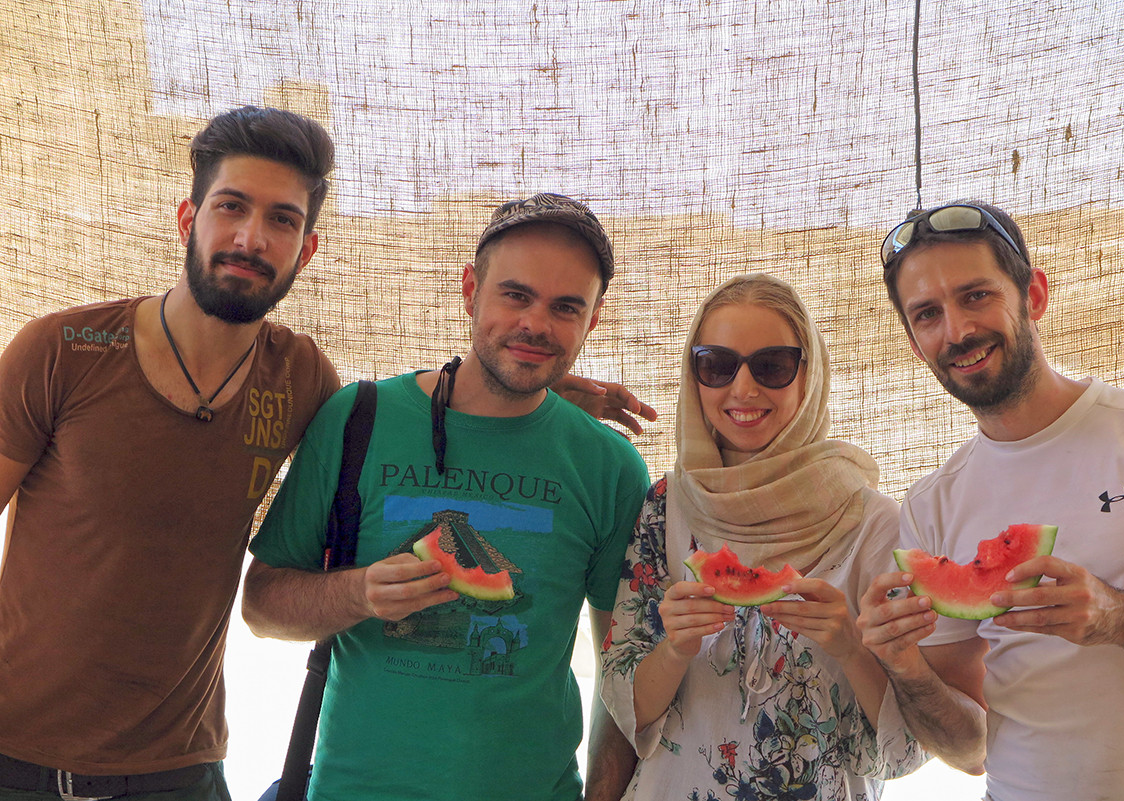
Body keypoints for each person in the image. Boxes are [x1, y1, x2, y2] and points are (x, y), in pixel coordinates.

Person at [241, 193, 652, 801]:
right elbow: (261, 606)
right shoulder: (358, 419)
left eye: (565, 307)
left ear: (593, 321)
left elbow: (621, 669)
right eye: (516, 295)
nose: (535, 324)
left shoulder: (611, 467)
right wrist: (358, 592)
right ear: (470, 290)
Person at [0, 106, 341, 801]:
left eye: (282, 219)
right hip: (16, 759)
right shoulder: (62, 349)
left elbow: (402, 421)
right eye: (232, 207)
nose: (251, 237)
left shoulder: (303, 377)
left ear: (305, 249)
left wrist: (517, 384)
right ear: (189, 218)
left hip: (180, 772)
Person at [857, 203, 1124, 801]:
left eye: (975, 296)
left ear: (1033, 295)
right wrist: (906, 667)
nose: (957, 331)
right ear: (915, 342)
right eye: (927, 314)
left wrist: (1121, 617)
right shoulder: (932, 505)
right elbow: (969, 751)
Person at [598, 274, 926, 801]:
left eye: (772, 365)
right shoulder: (665, 507)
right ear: (694, 376)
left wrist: (849, 648)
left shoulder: (873, 525)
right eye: (716, 365)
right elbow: (626, 708)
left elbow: (906, 750)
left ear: (808, 375)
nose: (743, 389)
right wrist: (675, 648)